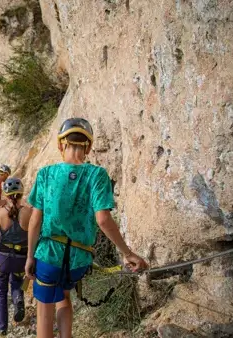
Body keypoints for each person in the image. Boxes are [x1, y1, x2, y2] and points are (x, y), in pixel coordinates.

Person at [24, 118, 148, 338]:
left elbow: (35, 221)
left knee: (44, 312)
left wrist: (30, 256)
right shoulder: (97, 175)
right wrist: (127, 253)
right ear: (89, 147)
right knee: (63, 296)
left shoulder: (46, 174)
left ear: (60, 144)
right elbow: (103, 220)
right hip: (78, 260)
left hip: (48, 255)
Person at [0, 177, 32, 335]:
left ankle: (0, 328)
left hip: (2, 258)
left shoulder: (0, 213)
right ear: (21, 192)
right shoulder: (30, 211)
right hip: (21, 259)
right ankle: (18, 300)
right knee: (16, 282)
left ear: (6, 194)